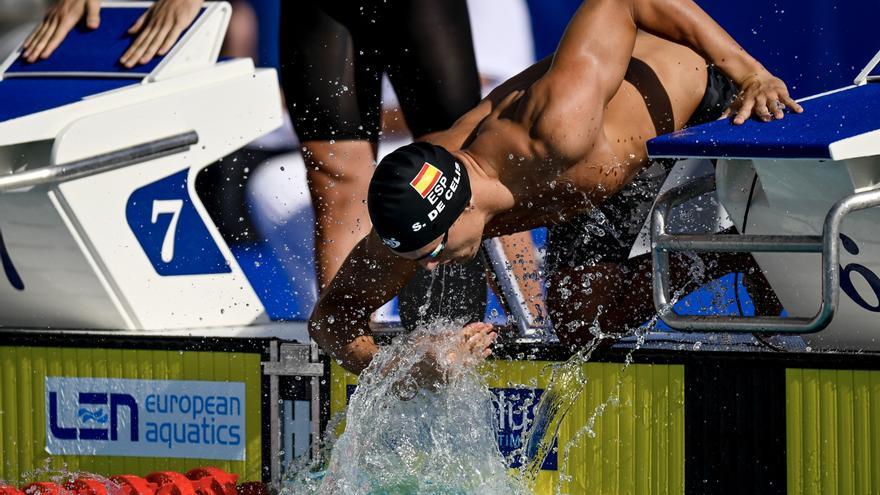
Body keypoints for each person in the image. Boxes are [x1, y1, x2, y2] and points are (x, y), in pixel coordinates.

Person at [309, 0, 803, 376]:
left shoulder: (556, 125)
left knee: (581, 314)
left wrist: (750, 74)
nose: (429, 266)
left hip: (692, 105)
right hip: (594, 176)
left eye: (432, 251)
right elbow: (330, 323)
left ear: (461, 210)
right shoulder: (416, 216)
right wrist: (412, 370)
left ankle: (757, 241)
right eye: (419, 255)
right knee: (577, 327)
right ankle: (734, 254)